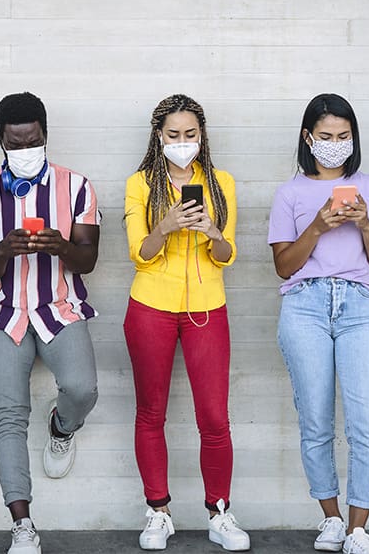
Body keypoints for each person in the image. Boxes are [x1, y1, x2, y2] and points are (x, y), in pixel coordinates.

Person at [0, 92, 100, 554]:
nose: (25, 149)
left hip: (60, 308)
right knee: (8, 415)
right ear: (1, 141)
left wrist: (60, 246)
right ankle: (22, 523)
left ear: (45, 134)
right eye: (15, 143)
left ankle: (61, 428)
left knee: (83, 389)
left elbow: (88, 261)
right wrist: (6, 249)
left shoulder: (77, 187)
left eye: (33, 141)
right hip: (5, 315)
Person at [268, 94, 369, 554]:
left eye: (344, 137)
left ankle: (360, 528)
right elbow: (283, 267)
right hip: (304, 305)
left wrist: (363, 225)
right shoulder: (290, 193)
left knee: (367, 423)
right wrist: (318, 226)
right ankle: (332, 520)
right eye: (326, 137)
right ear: (308, 138)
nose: (336, 144)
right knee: (316, 421)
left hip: (360, 306)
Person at [123, 94, 248, 552]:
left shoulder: (221, 182)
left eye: (190, 135)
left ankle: (219, 512)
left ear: (202, 136)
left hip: (207, 308)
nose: (182, 142)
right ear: (159, 137)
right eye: (173, 135)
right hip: (151, 305)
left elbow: (226, 255)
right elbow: (141, 252)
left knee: (214, 416)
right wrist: (168, 224)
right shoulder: (140, 184)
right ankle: (158, 511)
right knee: (150, 411)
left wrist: (213, 232)